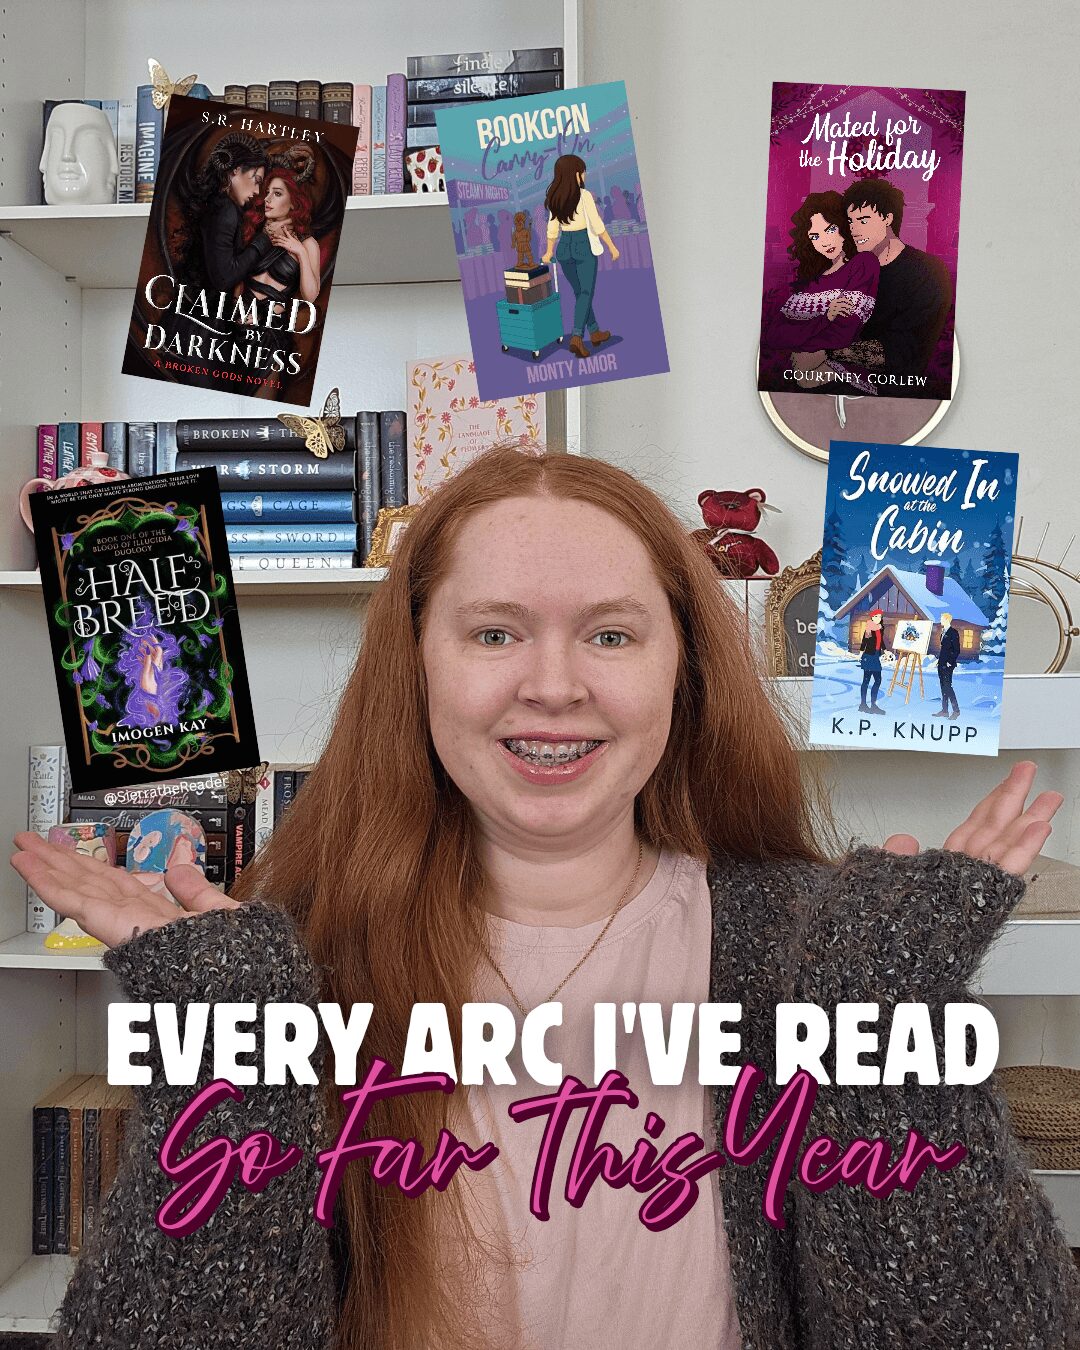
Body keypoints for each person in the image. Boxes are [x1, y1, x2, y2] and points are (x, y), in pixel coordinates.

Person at [11, 448, 1080, 1350]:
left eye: (611, 635)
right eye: (493, 633)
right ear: (417, 667)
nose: (555, 686)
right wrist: (228, 1041)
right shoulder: (290, 964)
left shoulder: (813, 945)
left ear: (683, 671)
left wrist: (879, 1021)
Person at [840, 178, 953, 395]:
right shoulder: (854, 270)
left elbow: (901, 353)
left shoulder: (928, 271)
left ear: (887, 218)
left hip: (900, 394)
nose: (854, 230)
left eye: (863, 220)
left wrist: (825, 349)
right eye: (851, 221)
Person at [763, 190, 881, 394]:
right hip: (811, 379)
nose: (824, 241)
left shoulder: (863, 264)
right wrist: (826, 317)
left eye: (830, 229)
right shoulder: (813, 279)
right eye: (815, 236)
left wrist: (799, 340)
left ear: (843, 225)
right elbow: (774, 335)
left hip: (834, 378)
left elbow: (844, 333)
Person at [234, 152, 323, 396]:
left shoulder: (307, 244)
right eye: (267, 193)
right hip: (238, 332)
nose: (268, 200)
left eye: (277, 193)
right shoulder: (253, 235)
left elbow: (310, 296)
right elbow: (235, 283)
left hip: (272, 337)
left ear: (294, 203)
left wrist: (300, 254)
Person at [541, 154, 620, 360]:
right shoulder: (584, 195)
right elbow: (597, 224)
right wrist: (612, 246)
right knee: (585, 293)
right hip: (582, 246)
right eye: (583, 171)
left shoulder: (555, 197)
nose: (584, 175)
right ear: (576, 174)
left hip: (563, 248)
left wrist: (549, 251)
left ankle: (594, 332)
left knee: (580, 293)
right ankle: (577, 337)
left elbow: (552, 228)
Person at [858, 608, 888, 713]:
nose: (878, 618)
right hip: (868, 656)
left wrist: (885, 650)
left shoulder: (880, 628)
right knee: (866, 680)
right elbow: (864, 641)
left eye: (880, 616)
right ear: (872, 617)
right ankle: (863, 705)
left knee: (878, 680)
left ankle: (873, 705)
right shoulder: (869, 627)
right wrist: (861, 654)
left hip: (875, 656)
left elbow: (881, 641)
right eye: (876, 616)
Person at [935, 610, 962, 719]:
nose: (940, 620)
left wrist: (950, 662)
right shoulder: (943, 631)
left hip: (948, 665)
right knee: (943, 687)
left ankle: (956, 711)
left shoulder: (953, 632)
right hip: (941, 663)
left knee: (948, 687)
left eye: (942, 619)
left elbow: (956, 650)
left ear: (946, 620)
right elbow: (944, 648)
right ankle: (945, 710)